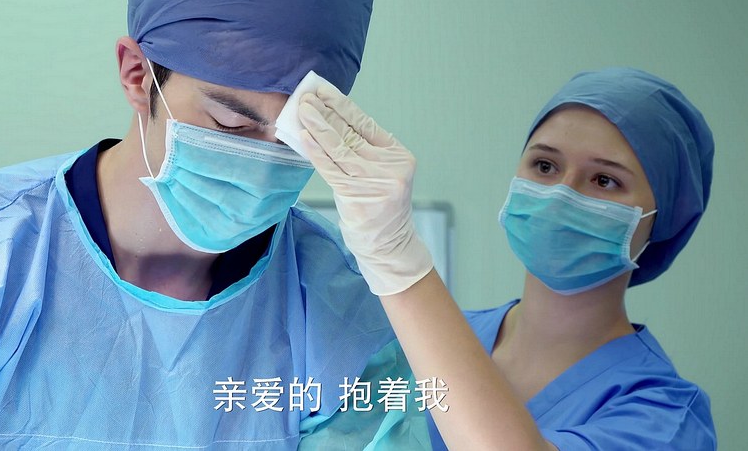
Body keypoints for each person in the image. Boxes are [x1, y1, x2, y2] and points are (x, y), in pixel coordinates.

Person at [0, 0, 431, 449]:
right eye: (231, 124)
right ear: (137, 75)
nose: (265, 163)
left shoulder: (340, 306)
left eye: (299, 138)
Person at [298, 67, 717, 449]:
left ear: (662, 218)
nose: (561, 193)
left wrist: (398, 258)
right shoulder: (436, 336)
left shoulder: (665, 416)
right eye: (545, 166)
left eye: (604, 180)